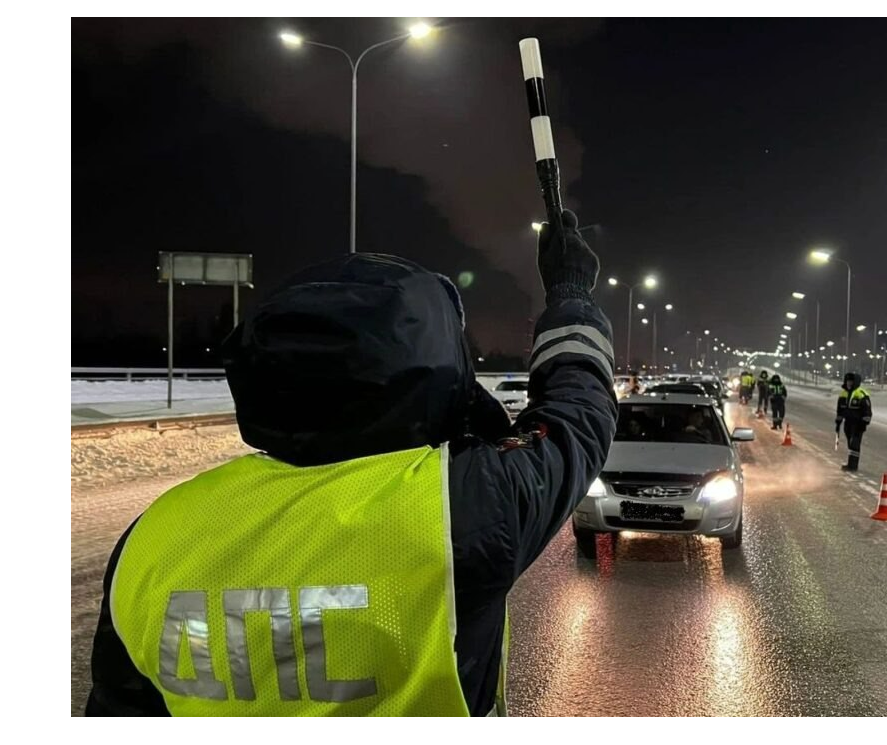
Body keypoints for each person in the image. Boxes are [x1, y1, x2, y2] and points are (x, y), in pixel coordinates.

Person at [85, 209, 618, 716]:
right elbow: (578, 415)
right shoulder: (459, 507)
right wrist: (570, 294)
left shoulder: (154, 535)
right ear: (435, 373)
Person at [835, 372, 871, 471]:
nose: (849, 383)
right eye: (848, 381)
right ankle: (851, 463)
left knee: (855, 444)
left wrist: (864, 423)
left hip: (858, 424)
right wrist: (838, 421)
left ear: (856, 382)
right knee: (850, 444)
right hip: (848, 423)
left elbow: (867, 411)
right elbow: (840, 410)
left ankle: (853, 466)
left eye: (851, 381)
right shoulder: (843, 393)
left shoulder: (862, 394)